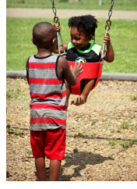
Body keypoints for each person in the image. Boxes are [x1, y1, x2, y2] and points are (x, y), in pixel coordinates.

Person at [26, 22, 83, 181]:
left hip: (36, 114)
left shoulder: (29, 61)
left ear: (33, 41)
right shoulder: (60, 62)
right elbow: (71, 83)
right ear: (54, 42)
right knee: (55, 153)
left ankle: (42, 181)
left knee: (38, 152)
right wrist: (75, 73)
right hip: (55, 116)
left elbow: (31, 81)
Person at [54, 15, 114, 106]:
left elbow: (109, 59)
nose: (73, 41)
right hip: (70, 80)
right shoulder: (70, 46)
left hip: (85, 82)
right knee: (65, 81)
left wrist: (108, 45)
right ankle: (64, 104)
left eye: (77, 39)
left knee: (90, 77)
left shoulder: (96, 49)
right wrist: (55, 33)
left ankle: (83, 97)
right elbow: (55, 50)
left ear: (89, 38)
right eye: (72, 37)